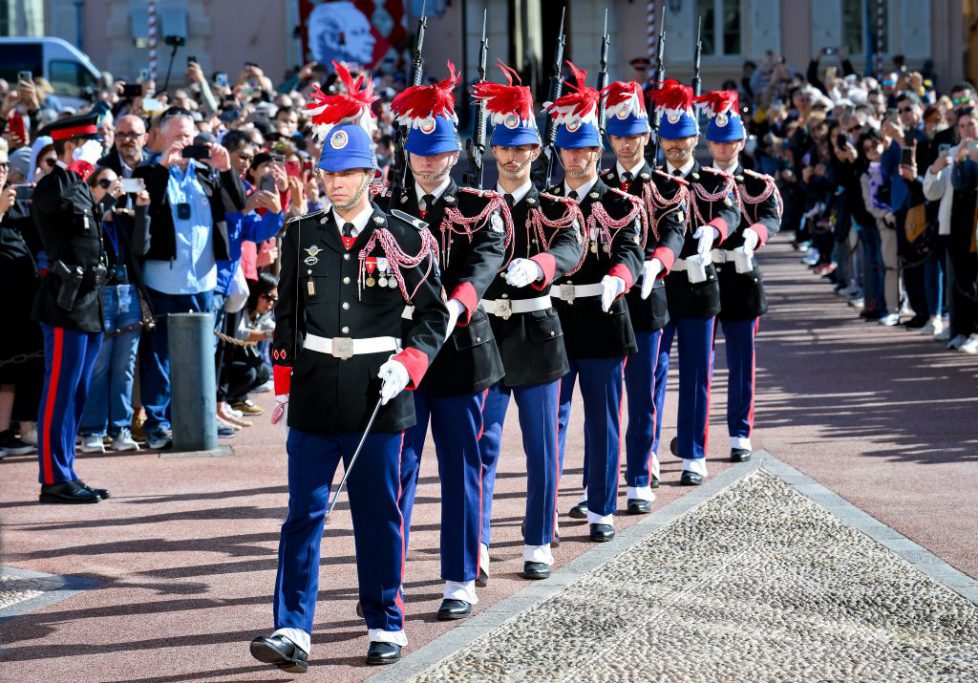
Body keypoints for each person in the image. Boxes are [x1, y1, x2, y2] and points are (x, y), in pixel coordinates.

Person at [249, 76, 447, 671]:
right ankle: (292, 628)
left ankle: (386, 621)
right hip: (314, 392)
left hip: (376, 392)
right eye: (328, 174)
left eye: (346, 173)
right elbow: (286, 318)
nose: (335, 183)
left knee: (377, 514)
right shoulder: (302, 235)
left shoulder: (404, 237)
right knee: (303, 512)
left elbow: (433, 316)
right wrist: (283, 385)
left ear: (369, 176)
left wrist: (408, 365)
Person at [382, 62, 508, 620]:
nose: (430, 163)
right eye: (421, 153)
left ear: (456, 155)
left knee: (460, 467)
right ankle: (389, 581)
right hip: (401, 357)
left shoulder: (481, 207)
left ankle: (458, 577)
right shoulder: (384, 205)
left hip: (458, 353)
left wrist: (459, 301)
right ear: (408, 153)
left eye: (440, 154)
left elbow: (482, 266)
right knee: (398, 472)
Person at [472, 63, 585, 581]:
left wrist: (537, 266)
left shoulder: (556, 205)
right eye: (505, 148)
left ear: (537, 153)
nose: (513, 158)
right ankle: (476, 539)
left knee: (542, 446)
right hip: (487, 335)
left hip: (537, 333)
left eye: (523, 149)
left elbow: (570, 246)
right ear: (493, 151)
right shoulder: (473, 207)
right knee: (483, 445)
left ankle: (538, 538)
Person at [546, 62, 643, 542]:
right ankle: (544, 512)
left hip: (602, 316)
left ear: (597, 150)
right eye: (567, 148)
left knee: (603, 419)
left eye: (584, 148)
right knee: (551, 421)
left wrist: (619, 279)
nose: (576, 157)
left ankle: (601, 508)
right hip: (556, 319)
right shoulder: (546, 204)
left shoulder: (621, 204)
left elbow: (630, 251)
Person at [134, 107, 246, 449]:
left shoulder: (205, 174)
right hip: (163, 278)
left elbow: (237, 204)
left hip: (203, 278)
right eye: (177, 136)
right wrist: (164, 167)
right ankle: (159, 422)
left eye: (189, 136)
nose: (185, 142)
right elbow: (146, 207)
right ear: (160, 138)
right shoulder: (149, 172)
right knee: (160, 354)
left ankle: (200, 415)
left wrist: (226, 170)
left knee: (202, 354)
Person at [599, 79, 688, 512]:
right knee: (604, 397)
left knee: (642, 393)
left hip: (649, 299)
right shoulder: (598, 185)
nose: (627, 143)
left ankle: (638, 476)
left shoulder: (667, 186)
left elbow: (673, 231)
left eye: (634, 135)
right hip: (607, 301)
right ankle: (598, 482)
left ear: (647, 136)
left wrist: (656, 263)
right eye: (619, 135)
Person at [650, 80, 739, 485]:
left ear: (694, 137)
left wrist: (714, 230)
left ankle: (693, 451)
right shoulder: (650, 182)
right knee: (652, 369)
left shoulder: (712, 180)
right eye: (668, 137)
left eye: (682, 137)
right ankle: (647, 450)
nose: (675, 144)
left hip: (700, 286)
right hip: (661, 285)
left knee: (698, 372)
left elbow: (730, 212)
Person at [29, 112, 111, 503]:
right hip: (64, 302)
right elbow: (49, 201)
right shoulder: (55, 182)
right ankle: (52, 476)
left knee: (77, 392)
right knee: (60, 390)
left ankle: (67, 470)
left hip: (88, 301)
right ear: (70, 145)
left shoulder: (78, 184)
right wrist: (78, 165)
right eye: (86, 142)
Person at [701, 90, 782, 462]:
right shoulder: (696, 182)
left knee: (742, 362)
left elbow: (770, 216)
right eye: (717, 141)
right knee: (700, 365)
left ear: (742, 141)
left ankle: (740, 431)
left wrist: (755, 234)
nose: (723, 148)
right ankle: (695, 439)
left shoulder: (755, 183)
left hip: (740, 275)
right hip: (701, 276)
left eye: (730, 141)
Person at [77, 165, 152, 453]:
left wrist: (142, 210)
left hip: (129, 294)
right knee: (99, 365)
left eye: (116, 183)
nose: (112, 187)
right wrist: (107, 200)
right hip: (100, 294)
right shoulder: (87, 216)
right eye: (104, 182)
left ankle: (120, 428)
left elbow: (141, 247)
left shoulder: (123, 219)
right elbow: (91, 226)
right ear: (92, 187)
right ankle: (93, 430)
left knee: (125, 367)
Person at [0, 140, 42, 457]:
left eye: (5, 165)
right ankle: (2, 433)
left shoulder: (14, 202)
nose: (5, 171)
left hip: (21, 303)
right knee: (5, 373)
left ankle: (22, 430)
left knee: (23, 368)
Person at [225, 273, 277, 406]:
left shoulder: (262, 314)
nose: (270, 303)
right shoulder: (241, 309)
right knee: (250, 373)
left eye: (274, 299)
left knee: (264, 371)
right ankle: (223, 400)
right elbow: (239, 333)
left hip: (237, 358)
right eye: (267, 297)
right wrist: (267, 334)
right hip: (225, 360)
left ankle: (236, 399)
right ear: (257, 292)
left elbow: (275, 329)